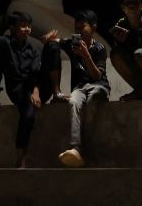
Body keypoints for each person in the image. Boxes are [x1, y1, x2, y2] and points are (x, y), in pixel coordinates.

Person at [44, 10, 110, 168]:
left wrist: (86, 56)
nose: (79, 31)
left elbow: (96, 76)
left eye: (83, 27)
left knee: (93, 100)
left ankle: (87, 149)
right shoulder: (71, 44)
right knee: (73, 102)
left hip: (99, 86)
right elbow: (56, 42)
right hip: (80, 87)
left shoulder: (99, 48)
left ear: (93, 28)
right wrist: (49, 40)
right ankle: (76, 148)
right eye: (76, 28)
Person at [0, 10, 53, 168]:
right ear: (12, 28)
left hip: (36, 88)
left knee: (51, 48)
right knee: (28, 115)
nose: (27, 30)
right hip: (17, 88)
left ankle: (56, 93)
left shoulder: (33, 49)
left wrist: (36, 92)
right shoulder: (3, 43)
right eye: (23, 26)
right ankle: (20, 157)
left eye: (29, 26)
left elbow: (36, 75)